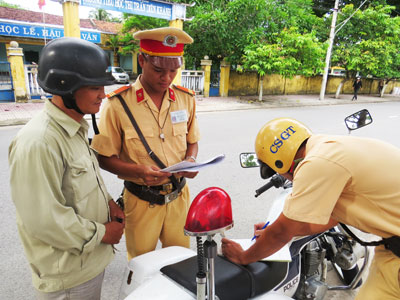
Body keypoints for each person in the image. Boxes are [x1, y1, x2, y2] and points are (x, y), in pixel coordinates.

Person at [222, 117, 400, 300]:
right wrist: (275, 230)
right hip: (391, 252)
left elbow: (281, 233)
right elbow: (331, 218)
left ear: (280, 164)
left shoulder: (317, 164)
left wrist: (243, 257)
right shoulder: (329, 147)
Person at [8, 37, 125, 300]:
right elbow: (44, 220)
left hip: (87, 262)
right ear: (67, 87)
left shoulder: (73, 129)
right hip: (68, 277)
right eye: (95, 87)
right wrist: (104, 232)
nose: (103, 96)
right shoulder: (39, 141)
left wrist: (109, 204)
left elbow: (83, 182)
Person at [91, 27, 200, 260]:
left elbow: (192, 141)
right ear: (142, 60)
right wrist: (137, 171)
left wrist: (190, 160)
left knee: (181, 262)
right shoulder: (118, 104)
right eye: (159, 70)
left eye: (173, 71)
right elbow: (103, 157)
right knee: (141, 266)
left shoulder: (185, 99)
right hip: (141, 200)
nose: (167, 78)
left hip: (179, 197)